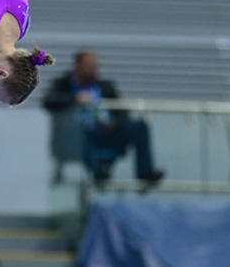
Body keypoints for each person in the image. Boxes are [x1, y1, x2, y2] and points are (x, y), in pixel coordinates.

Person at [43, 52, 163, 186]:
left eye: (95, 66)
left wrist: (114, 124)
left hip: (106, 132)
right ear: (77, 66)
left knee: (140, 126)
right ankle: (98, 172)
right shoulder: (62, 85)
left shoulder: (106, 86)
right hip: (77, 136)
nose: (93, 70)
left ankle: (145, 173)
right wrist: (74, 99)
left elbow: (121, 111)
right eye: (89, 66)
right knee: (83, 130)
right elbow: (48, 101)